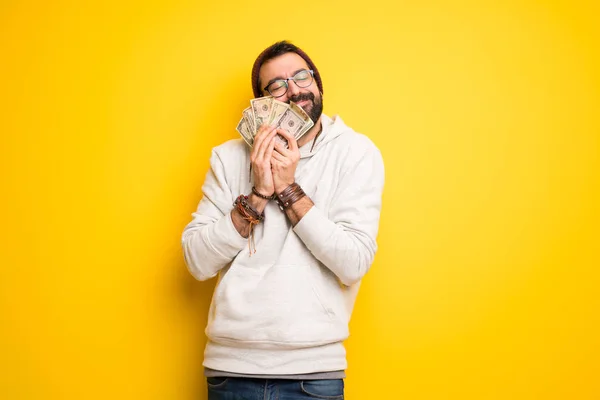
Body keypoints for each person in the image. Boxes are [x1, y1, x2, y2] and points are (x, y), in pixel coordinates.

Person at [182, 40, 384, 400]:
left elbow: (352, 263)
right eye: (276, 85)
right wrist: (258, 194)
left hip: (313, 373)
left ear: (317, 83)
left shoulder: (356, 153)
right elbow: (197, 262)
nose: (292, 90)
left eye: (300, 77)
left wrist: (288, 188)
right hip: (231, 369)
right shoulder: (228, 158)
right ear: (262, 103)